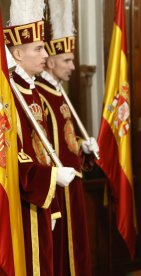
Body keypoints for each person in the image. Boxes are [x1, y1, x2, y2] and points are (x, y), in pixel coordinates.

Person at [3, 1, 76, 274]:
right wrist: (49, 177)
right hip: (23, 203)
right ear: (18, 54)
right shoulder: (9, 94)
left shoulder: (31, 90)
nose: (45, 54)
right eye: (38, 48)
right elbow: (12, 153)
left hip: (41, 199)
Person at [34, 0, 99, 274]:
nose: (73, 65)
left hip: (71, 184)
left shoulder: (58, 91)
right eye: (67, 60)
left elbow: (65, 139)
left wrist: (82, 148)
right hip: (57, 190)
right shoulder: (40, 93)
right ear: (50, 61)